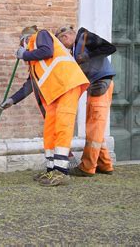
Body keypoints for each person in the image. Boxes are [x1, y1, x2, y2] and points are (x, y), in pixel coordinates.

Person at [0, 25, 89, 186]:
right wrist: (12, 100)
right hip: (56, 92)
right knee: (50, 128)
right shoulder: (35, 63)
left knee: (63, 125)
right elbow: (29, 85)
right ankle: (51, 169)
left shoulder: (41, 35)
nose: (22, 48)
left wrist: (25, 54)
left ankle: (61, 171)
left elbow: (47, 51)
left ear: (26, 39)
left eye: (22, 44)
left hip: (67, 84)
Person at [54, 25, 116, 177]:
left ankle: (87, 167)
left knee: (94, 127)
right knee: (93, 126)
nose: (63, 47)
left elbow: (110, 47)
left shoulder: (85, 37)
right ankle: (105, 164)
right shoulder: (76, 47)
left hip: (101, 83)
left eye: (62, 43)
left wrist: (87, 57)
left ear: (65, 37)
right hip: (95, 85)